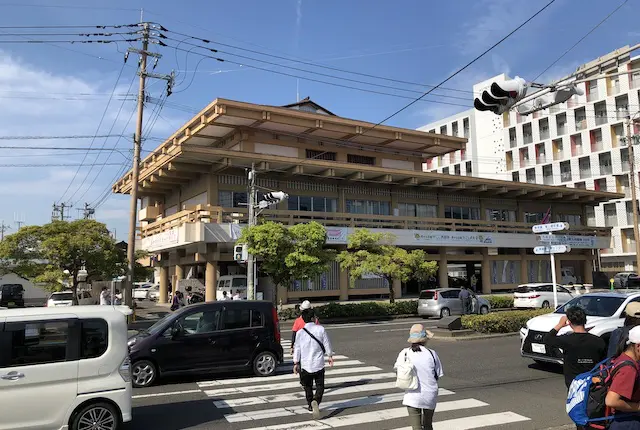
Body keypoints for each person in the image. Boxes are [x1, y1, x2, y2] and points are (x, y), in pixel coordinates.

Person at [394, 324, 443, 430]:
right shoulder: (432, 353)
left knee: (416, 428)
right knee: (428, 425)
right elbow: (437, 374)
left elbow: (398, 373)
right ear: (425, 339)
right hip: (430, 394)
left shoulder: (405, 353)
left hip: (412, 395)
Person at [544, 306, 607, 389]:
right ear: (585, 321)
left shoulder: (566, 340)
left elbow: (548, 339)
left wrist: (560, 325)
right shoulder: (598, 341)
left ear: (569, 322)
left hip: (573, 383)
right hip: (593, 382)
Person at [293, 308, 334, 419]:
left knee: (308, 386)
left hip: (305, 365)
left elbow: (297, 348)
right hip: (318, 364)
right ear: (312, 318)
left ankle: (310, 404)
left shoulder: (300, 333)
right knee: (320, 386)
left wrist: (296, 363)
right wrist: (329, 356)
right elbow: (326, 343)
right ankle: (316, 400)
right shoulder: (320, 329)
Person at [605, 325, 640, 429]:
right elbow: (611, 401)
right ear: (638, 346)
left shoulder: (622, 357)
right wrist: (638, 407)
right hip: (626, 421)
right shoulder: (628, 369)